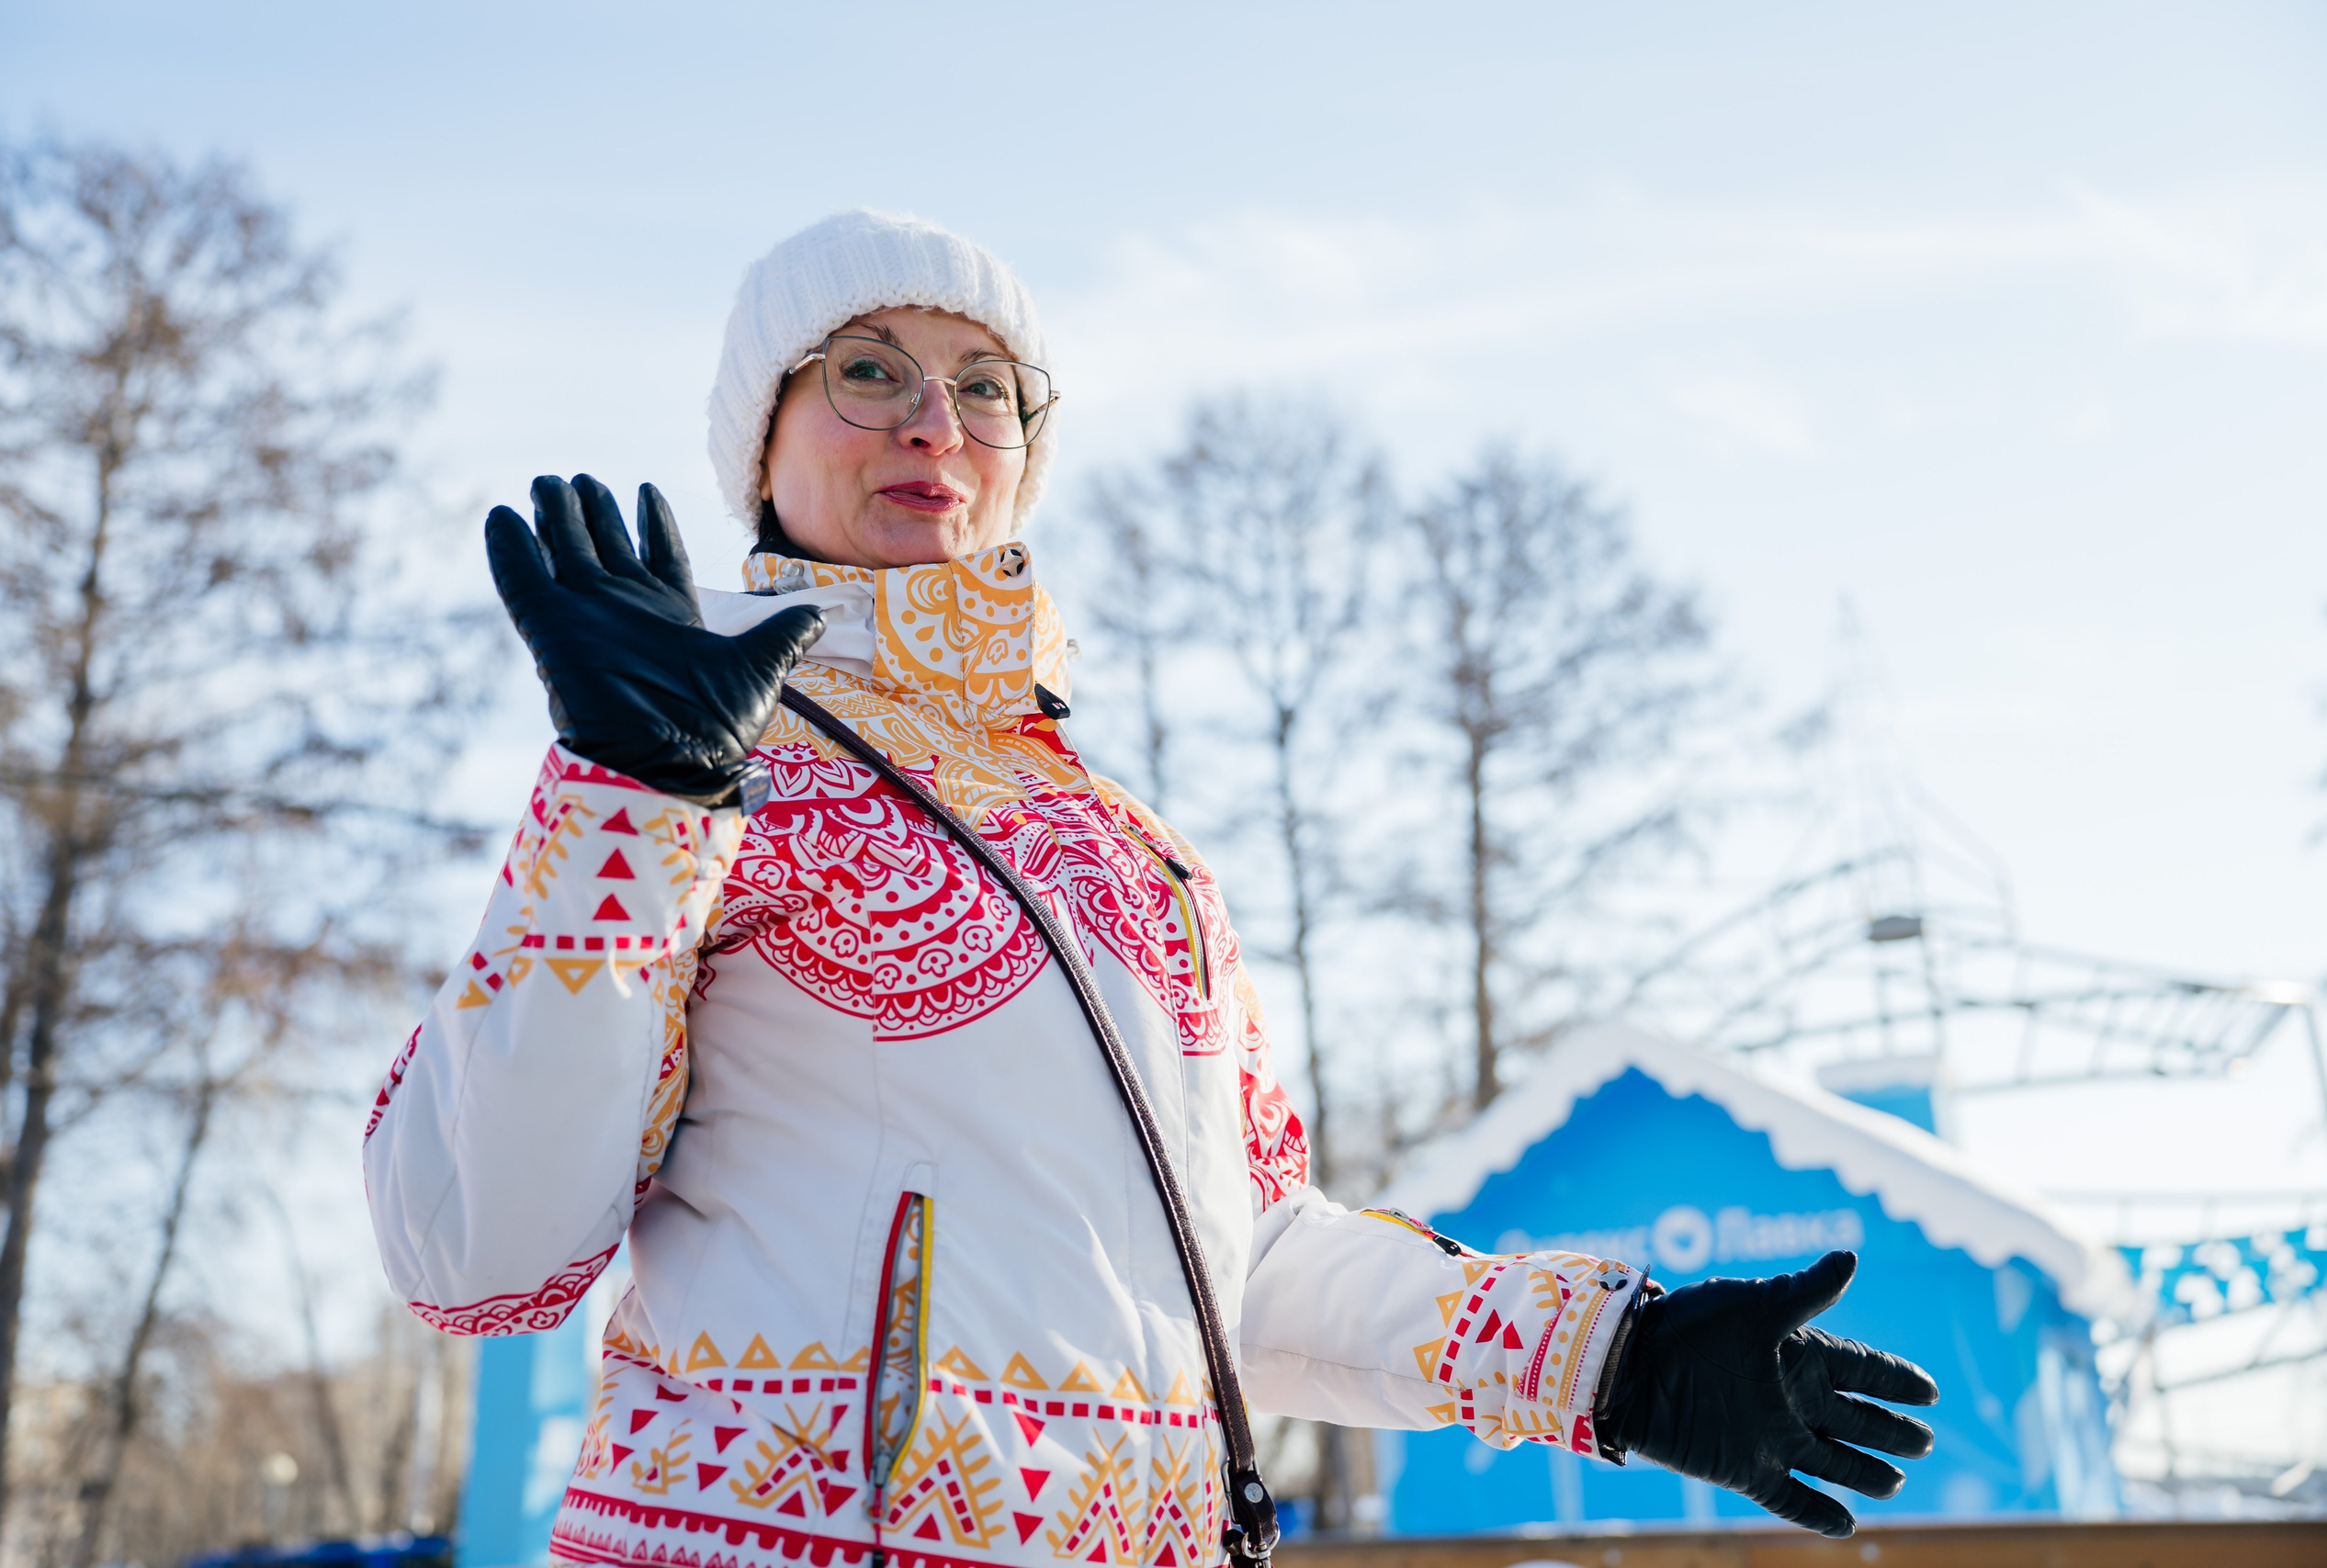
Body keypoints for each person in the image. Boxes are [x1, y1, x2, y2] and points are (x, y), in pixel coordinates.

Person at [362, 210, 1937, 1566]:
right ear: (759, 441)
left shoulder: (1129, 847)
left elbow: (1244, 1261)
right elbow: (480, 1251)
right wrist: (633, 796)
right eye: (868, 371)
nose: (933, 422)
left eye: (987, 389)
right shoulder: (695, 763)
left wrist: (1609, 1358)